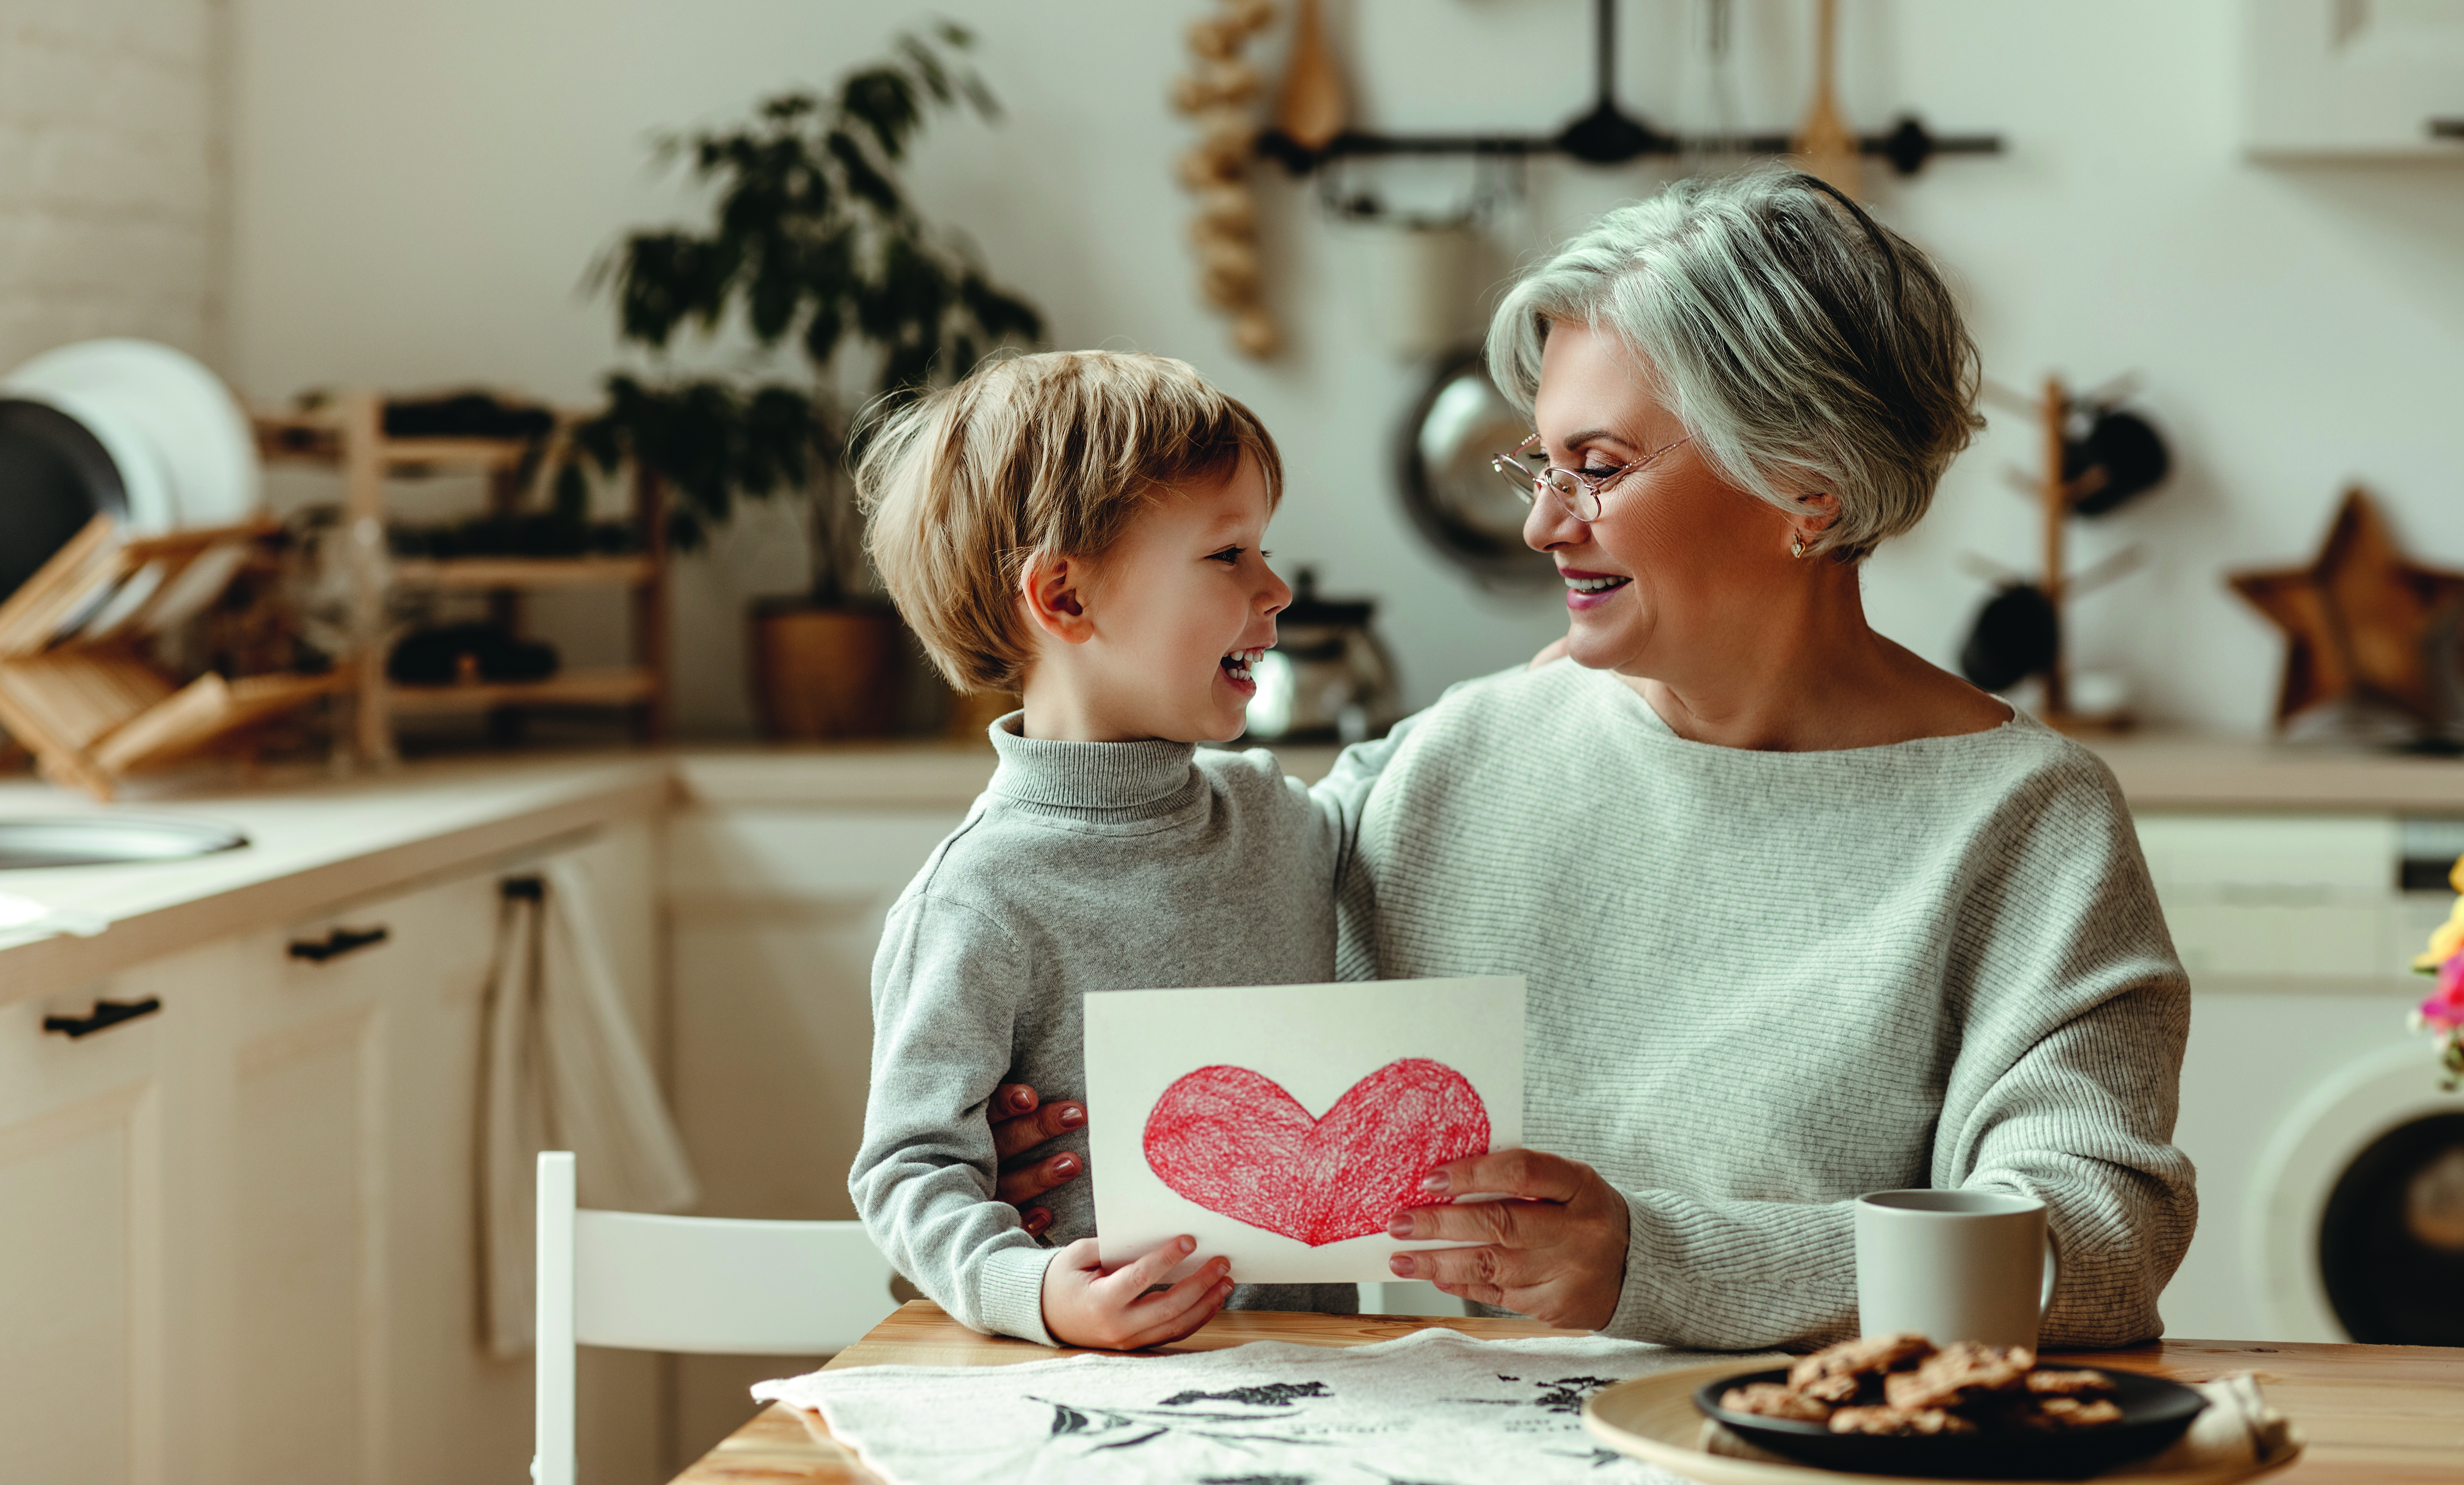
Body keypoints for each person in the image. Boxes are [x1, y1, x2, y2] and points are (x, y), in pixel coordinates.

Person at [992, 166, 2197, 1350]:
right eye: (1542, 465)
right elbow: (1198, 954)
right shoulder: (1466, 754)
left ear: (1808, 489)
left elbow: (2097, 1245)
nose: (1541, 524)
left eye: (1601, 470)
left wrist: (1655, 1262)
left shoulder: (2025, 823)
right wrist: (1058, 1130)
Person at [847, 349, 1360, 1350]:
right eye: (1228, 555)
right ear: (1066, 600)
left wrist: (1557, 682)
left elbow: (1417, 780)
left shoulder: (1276, 818)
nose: (1278, 587)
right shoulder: (978, 895)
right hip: (1088, 1406)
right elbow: (907, 1170)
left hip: (1321, 1390)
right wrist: (1036, 1292)